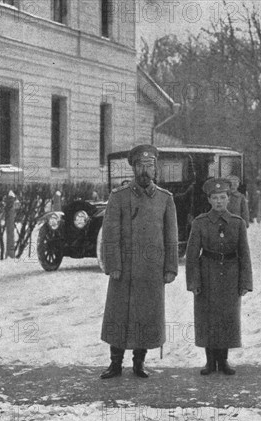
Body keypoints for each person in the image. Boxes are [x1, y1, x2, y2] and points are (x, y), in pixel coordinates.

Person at [100, 144, 179, 379]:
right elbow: (110, 234)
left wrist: (170, 268)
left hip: (151, 271)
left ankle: (139, 363)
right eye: (141, 166)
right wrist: (113, 264)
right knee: (119, 315)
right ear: (133, 168)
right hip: (124, 270)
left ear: (155, 170)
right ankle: (115, 364)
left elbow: (171, 237)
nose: (145, 170)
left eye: (149, 166)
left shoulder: (165, 199)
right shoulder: (119, 197)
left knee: (146, 316)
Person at [185, 178, 253, 376]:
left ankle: (223, 361)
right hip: (207, 275)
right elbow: (191, 256)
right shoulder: (200, 223)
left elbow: (245, 255)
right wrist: (194, 282)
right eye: (215, 198)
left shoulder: (237, 223)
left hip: (231, 276)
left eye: (222, 197)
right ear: (209, 200)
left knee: (227, 318)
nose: (219, 202)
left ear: (228, 199)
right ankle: (210, 362)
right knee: (208, 319)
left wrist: (245, 282)